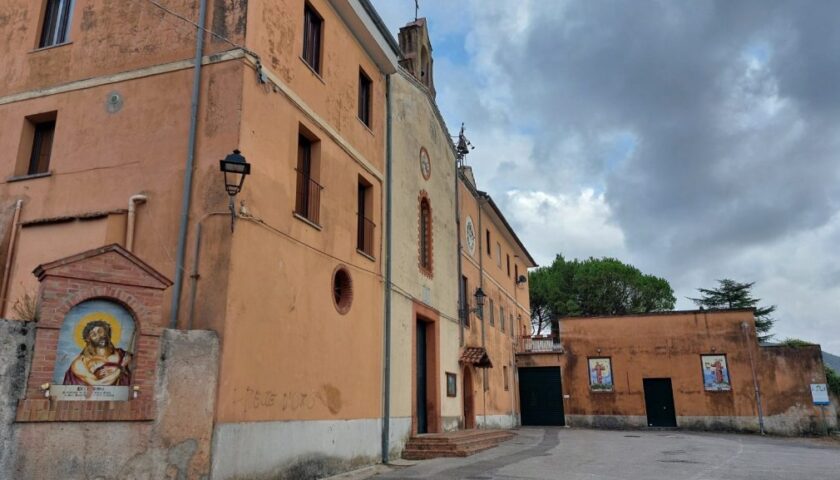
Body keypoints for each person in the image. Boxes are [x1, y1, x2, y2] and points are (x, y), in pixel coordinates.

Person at [63, 320, 132, 386]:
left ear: (107, 333)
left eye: (100, 331)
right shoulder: (80, 363)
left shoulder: (123, 355)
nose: (99, 336)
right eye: (93, 335)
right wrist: (121, 367)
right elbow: (99, 384)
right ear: (88, 339)